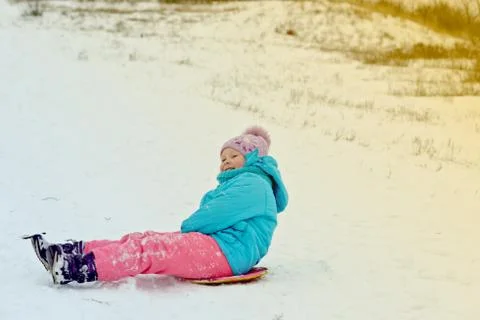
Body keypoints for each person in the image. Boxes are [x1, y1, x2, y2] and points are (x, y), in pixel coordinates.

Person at [24, 125, 289, 285]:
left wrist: (191, 225)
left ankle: (75, 268)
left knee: (152, 249)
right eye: (223, 157)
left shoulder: (253, 185)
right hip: (221, 247)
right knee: (144, 239)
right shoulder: (243, 184)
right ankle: (71, 251)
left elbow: (206, 219)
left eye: (234, 156)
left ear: (253, 158)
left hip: (228, 254)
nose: (226, 161)